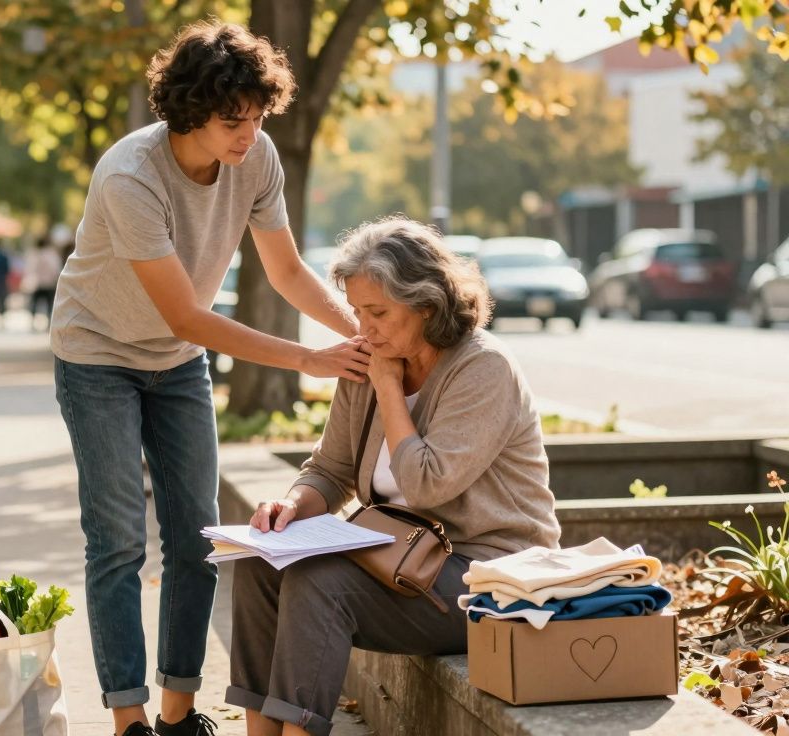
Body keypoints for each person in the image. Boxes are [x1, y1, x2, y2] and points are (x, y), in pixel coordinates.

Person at [50, 20, 372, 736]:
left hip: (174, 363)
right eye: (233, 120)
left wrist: (361, 336)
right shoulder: (131, 176)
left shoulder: (254, 162)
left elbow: (286, 272)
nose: (249, 135)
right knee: (118, 540)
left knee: (198, 540)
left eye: (258, 118)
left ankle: (177, 713)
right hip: (97, 353)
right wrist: (305, 360)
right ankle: (128, 718)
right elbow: (188, 315)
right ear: (189, 109)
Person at [227, 217, 562, 736]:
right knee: (259, 562)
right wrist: (291, 506)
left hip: (485, 575)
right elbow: (330, 469)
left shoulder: (483, 368)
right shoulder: (372, 358)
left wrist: (387, 388)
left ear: (427, 305)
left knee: (321, 582)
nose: (364, 329)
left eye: (378, 313)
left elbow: (429, 483)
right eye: (358, 312)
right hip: (398, 556)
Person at [24, 238, 62, 330]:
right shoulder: (52, 255)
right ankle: (49, 323)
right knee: (49, 304)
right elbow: (56, 269)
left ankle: (32, 323)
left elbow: (30, 269)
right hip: (49, 283)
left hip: (37, 283)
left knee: (35, 304)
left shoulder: (34, 254)